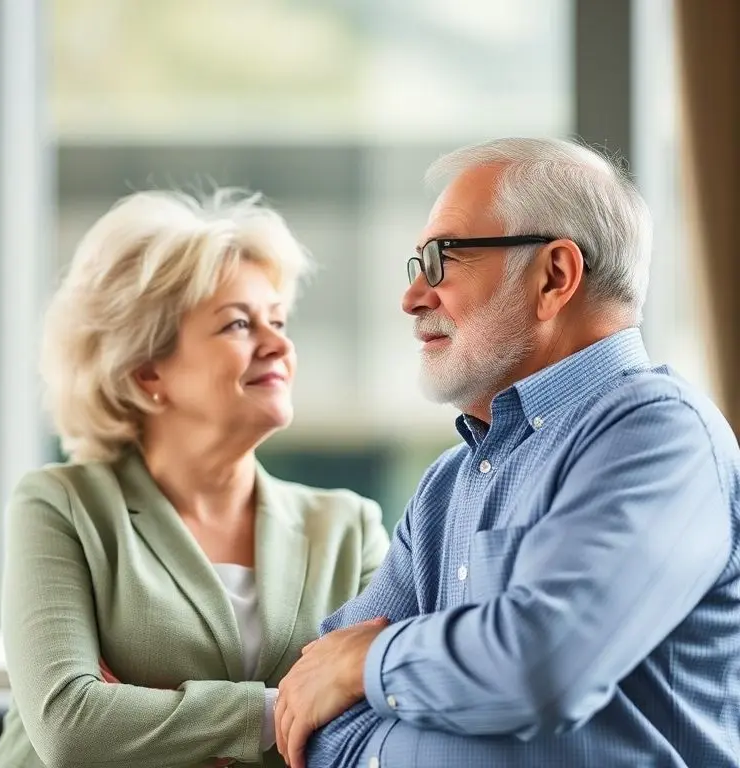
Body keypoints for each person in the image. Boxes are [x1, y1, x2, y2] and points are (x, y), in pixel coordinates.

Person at [274, 137, 740, 768]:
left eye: (442, 259)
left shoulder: (660, 434)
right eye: (415, 268)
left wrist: (369, 663)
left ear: (554, 276)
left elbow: (544, 665)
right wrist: (395, 680)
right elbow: (311, 712)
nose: (412, 299)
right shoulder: (446, 485)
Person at [0, 189, 390, 768]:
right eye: (238, 325)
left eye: (277, 319)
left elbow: (385, 704)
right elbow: (70, 727)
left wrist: (146, 714)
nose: (279, 344)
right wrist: (283, 710)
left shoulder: (349, 527)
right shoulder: (61, 505)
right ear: (148, 370)